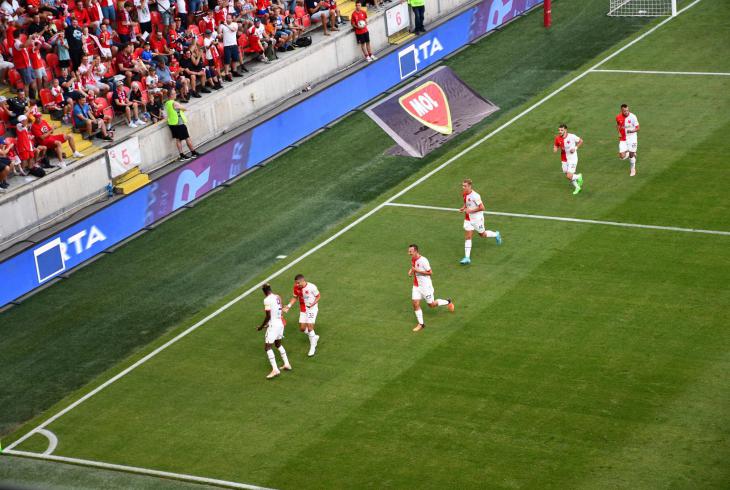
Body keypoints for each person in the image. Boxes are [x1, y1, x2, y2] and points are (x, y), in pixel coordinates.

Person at [408, 244, 454, 332]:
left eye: (410, 251)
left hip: (426, 287)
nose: (409, 253)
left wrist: (417, 271)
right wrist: (411, 271)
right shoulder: (413, 258)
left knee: (431, 305)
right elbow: (414, 267)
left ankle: (448, 302)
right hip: (416, 286)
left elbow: (430, 273)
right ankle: (421, 324)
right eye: (409, 251)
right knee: (415, 303)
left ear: (416, 251)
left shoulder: (423, 260)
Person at [459, 179, 501, 265]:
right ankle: (467, 258)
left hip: (477, 219)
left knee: (482, 234)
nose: (463, 187)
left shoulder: (475, 196)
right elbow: (467, 203)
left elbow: (482, 208)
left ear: (470, 186)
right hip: (468, 218)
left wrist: (470, 211)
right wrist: (463, 208)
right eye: (462, 186)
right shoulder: (464, 193)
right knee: (468, 237)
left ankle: (496, 234)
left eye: (465, 186)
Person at [257, 283, 292, 379]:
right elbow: (279, 311)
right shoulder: (277, 297)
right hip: (280, 323)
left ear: (264, 292)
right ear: (270, 289)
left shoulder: (266, 300)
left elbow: (268, 315)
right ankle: (287, 364)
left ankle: (275, 370)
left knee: (267, 347)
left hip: (273, 325)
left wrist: (261, 326)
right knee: (278, 344)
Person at [283, 274, 320, 357]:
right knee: (302, 328)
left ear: (303, 281)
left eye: (298, 283)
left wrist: (312, 304)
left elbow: (318, 296)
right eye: (296, 283)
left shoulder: (312, 287)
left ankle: (313, 347)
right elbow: (295, 297)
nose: (296, 284)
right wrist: (288, 306)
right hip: (303, 309)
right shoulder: (296, 287)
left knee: (310, 327)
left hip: (312, 309)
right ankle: (314, 337)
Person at [164, 88, 200, 161]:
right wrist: (181, 108)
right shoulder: (175, 103)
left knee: (178, 139)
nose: (176, 94)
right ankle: (193, 153)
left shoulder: (167, 103)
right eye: (174, 93)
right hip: (179, 123)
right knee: (187, 138)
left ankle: (182, 155)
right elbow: (184, 108)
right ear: (171, 95)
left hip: (172, 124)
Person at [553, 123, 584, 195]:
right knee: (568, 176)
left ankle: (579, 176)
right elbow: (556, 145)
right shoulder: (557, 138)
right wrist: (555, 148)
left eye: (561, 130)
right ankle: (577, 187)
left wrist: (575, 148)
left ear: (565, 130)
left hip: (572, 158)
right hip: (564, 159)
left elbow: (581, 141)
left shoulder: (572, 136)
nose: (560, 131)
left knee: (569, 176)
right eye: (559, 130)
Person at [616, 103, 640, 176]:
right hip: (623, 138)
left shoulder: (633, 116)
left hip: (632, 137)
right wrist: (619, 132)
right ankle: (631, 152)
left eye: (627, 110)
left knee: (631, 156)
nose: (626, 112)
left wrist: (632, 131)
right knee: (621, 157)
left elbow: (638, 128)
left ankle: (632, 169)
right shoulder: (618, 117)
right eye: (624, 111)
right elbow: (618, 125)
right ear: (621, 110)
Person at [218, 13, 243, 79]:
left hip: (234, 44)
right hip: (226, 45)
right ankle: (226, 74)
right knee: (227, 60)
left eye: (229, 18)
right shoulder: (222, 25)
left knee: (235, 59)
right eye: (227, 18)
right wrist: (219, 25)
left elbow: (233, 30)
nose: (228, 19)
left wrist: (226, 25)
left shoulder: (234, 24)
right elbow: (219, 33)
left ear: (232, 19)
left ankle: (234, 71)